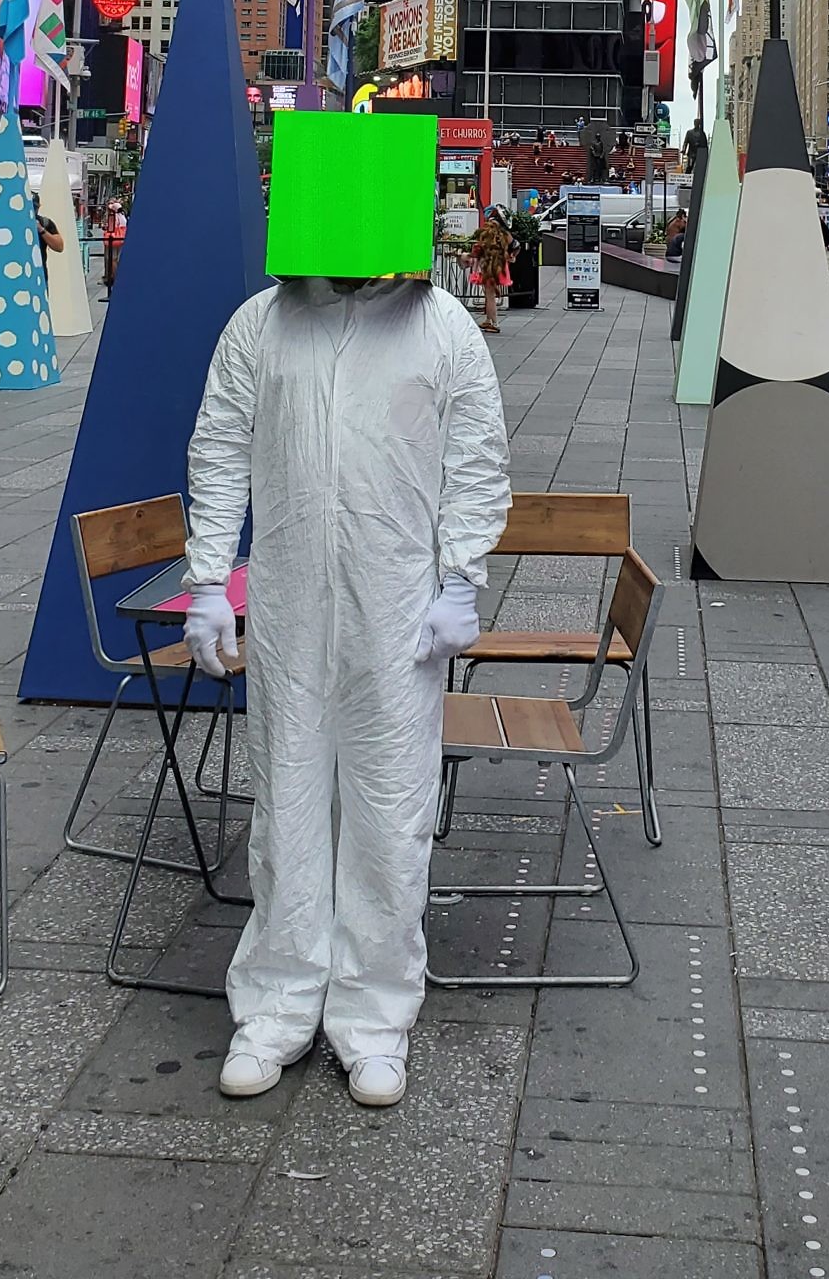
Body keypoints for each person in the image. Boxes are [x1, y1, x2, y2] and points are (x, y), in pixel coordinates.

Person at [182, 273, 510, 1109]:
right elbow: (220, 445)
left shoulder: (440, 327)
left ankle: (373, 1016)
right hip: (291, 602)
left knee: (389, 811)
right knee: (286, 800)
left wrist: (461, 579)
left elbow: (476, 455)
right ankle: (277, 1006)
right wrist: (211, 580)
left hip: (396, 607)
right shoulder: (261, 320)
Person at [463, 204, 514, 335]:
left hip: (487, 266)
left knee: (489, 295)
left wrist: (470, 255)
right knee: (488, 294)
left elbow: (478, 248)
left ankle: (494, 322)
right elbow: (515, 245)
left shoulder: (486, 232)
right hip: (498, 266)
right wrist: (510, 256)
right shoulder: (504, 233)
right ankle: (488, 319)